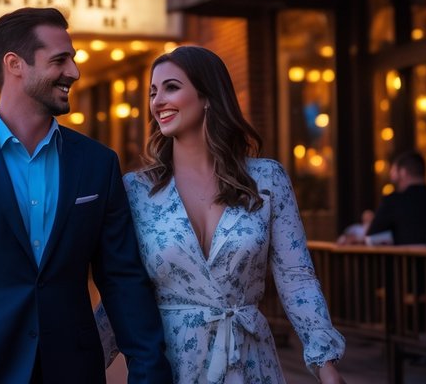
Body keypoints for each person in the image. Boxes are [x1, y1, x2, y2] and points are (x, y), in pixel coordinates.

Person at [0, 7, 173, 384]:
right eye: (60, 60)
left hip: (73, 371)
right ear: (15, 64)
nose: (74, 71)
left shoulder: (98, 163)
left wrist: (149, 371)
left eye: (72, 59)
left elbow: (122, 279)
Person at [106, 45, 345, 383]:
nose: (157, 101)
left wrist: (325, 362)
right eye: (153, 92)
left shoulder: (266, 179)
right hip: (170, 365)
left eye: (172, 87)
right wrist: (75, 363)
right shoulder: (136, 190)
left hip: (249, 362)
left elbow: (296, 277)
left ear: (207, 96)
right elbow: (122, 290)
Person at [364, 150, 426, 246]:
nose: (391, 174)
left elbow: (373, 237)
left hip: (404, 260)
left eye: (393, 170)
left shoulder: (393, 201)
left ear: (403, 172)